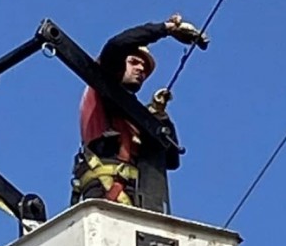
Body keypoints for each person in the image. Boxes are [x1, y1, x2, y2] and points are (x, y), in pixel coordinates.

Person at [70, 14, 208, 213]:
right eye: (134, 62)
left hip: (133, 196)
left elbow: (170, 158)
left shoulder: (131, 115)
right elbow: (118, 45)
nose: (141, 69)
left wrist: (158, 116)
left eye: (145, 68)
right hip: (104, 189)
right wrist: (166, 28)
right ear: (119, 64)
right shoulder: (103, 85)